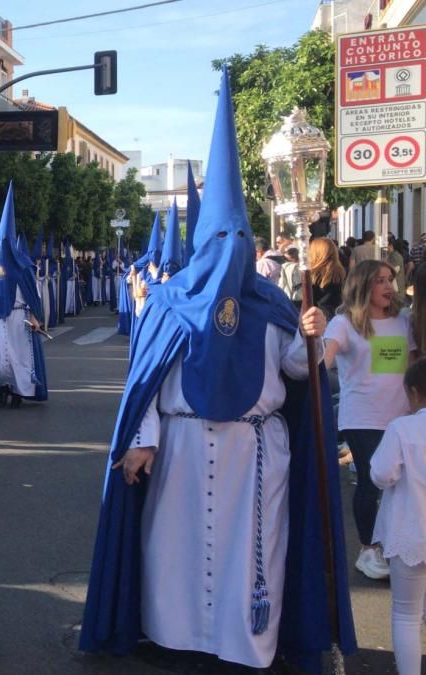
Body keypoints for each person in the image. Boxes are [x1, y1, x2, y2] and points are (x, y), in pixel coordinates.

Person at [81, 71, 356, 671]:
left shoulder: (269, 303)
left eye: (240, 235)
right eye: (220, 235)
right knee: (175, 550)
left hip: (255, 456)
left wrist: (311, 342)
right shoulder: (170, 300)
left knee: (253, 555)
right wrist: (141, 443)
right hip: (179, 448)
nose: (231, 246)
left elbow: (292, 373)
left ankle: (247, 642)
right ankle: (175, 637)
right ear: (204, 242)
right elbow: (147, 384)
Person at [324, 259, 417, 580]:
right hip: (363, 417)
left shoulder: (404, 321)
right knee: (371, 478)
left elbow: (416, 363)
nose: (389, 287)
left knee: (403, 482)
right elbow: (323, 359)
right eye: (381, 280)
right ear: (363, 285)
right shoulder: (345, 323)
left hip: (404, 415)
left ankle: (396, 543)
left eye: (391, 279)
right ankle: (368, 550)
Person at [370, 359, 426, 675]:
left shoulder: (403, 428)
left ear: (414, 392)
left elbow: (381, 474)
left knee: (406, 615)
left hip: (411, 532)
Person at [0, 186, 47, 409]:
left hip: (19, 317)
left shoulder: (24, 267)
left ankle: (17, 392)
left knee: (19, 356)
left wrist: (35, 317)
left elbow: (33, 295)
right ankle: (2, 388)